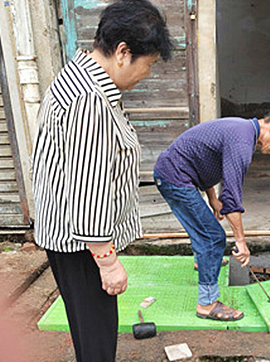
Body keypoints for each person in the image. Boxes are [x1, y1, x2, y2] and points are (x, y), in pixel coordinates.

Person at [32, 1, 172, 361]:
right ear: (123, 52)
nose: (147, 75)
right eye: (149, 65)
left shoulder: (78, 77)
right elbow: (87, 188)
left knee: (90, 336)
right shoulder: (91, 101)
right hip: (82, 245)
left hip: (71, 238)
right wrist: (107, 261)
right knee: (97, 344)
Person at [154, 108, 270, 320]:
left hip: (177, 173)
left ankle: (202, 262)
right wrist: (241, 241)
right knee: (213, 238)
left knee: (204, 227)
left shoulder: (241, 130)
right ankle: (207, 304)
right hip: (174, 178)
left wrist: (213, 198)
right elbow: (232, 198)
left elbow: (203, 162)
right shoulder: (242, 141)